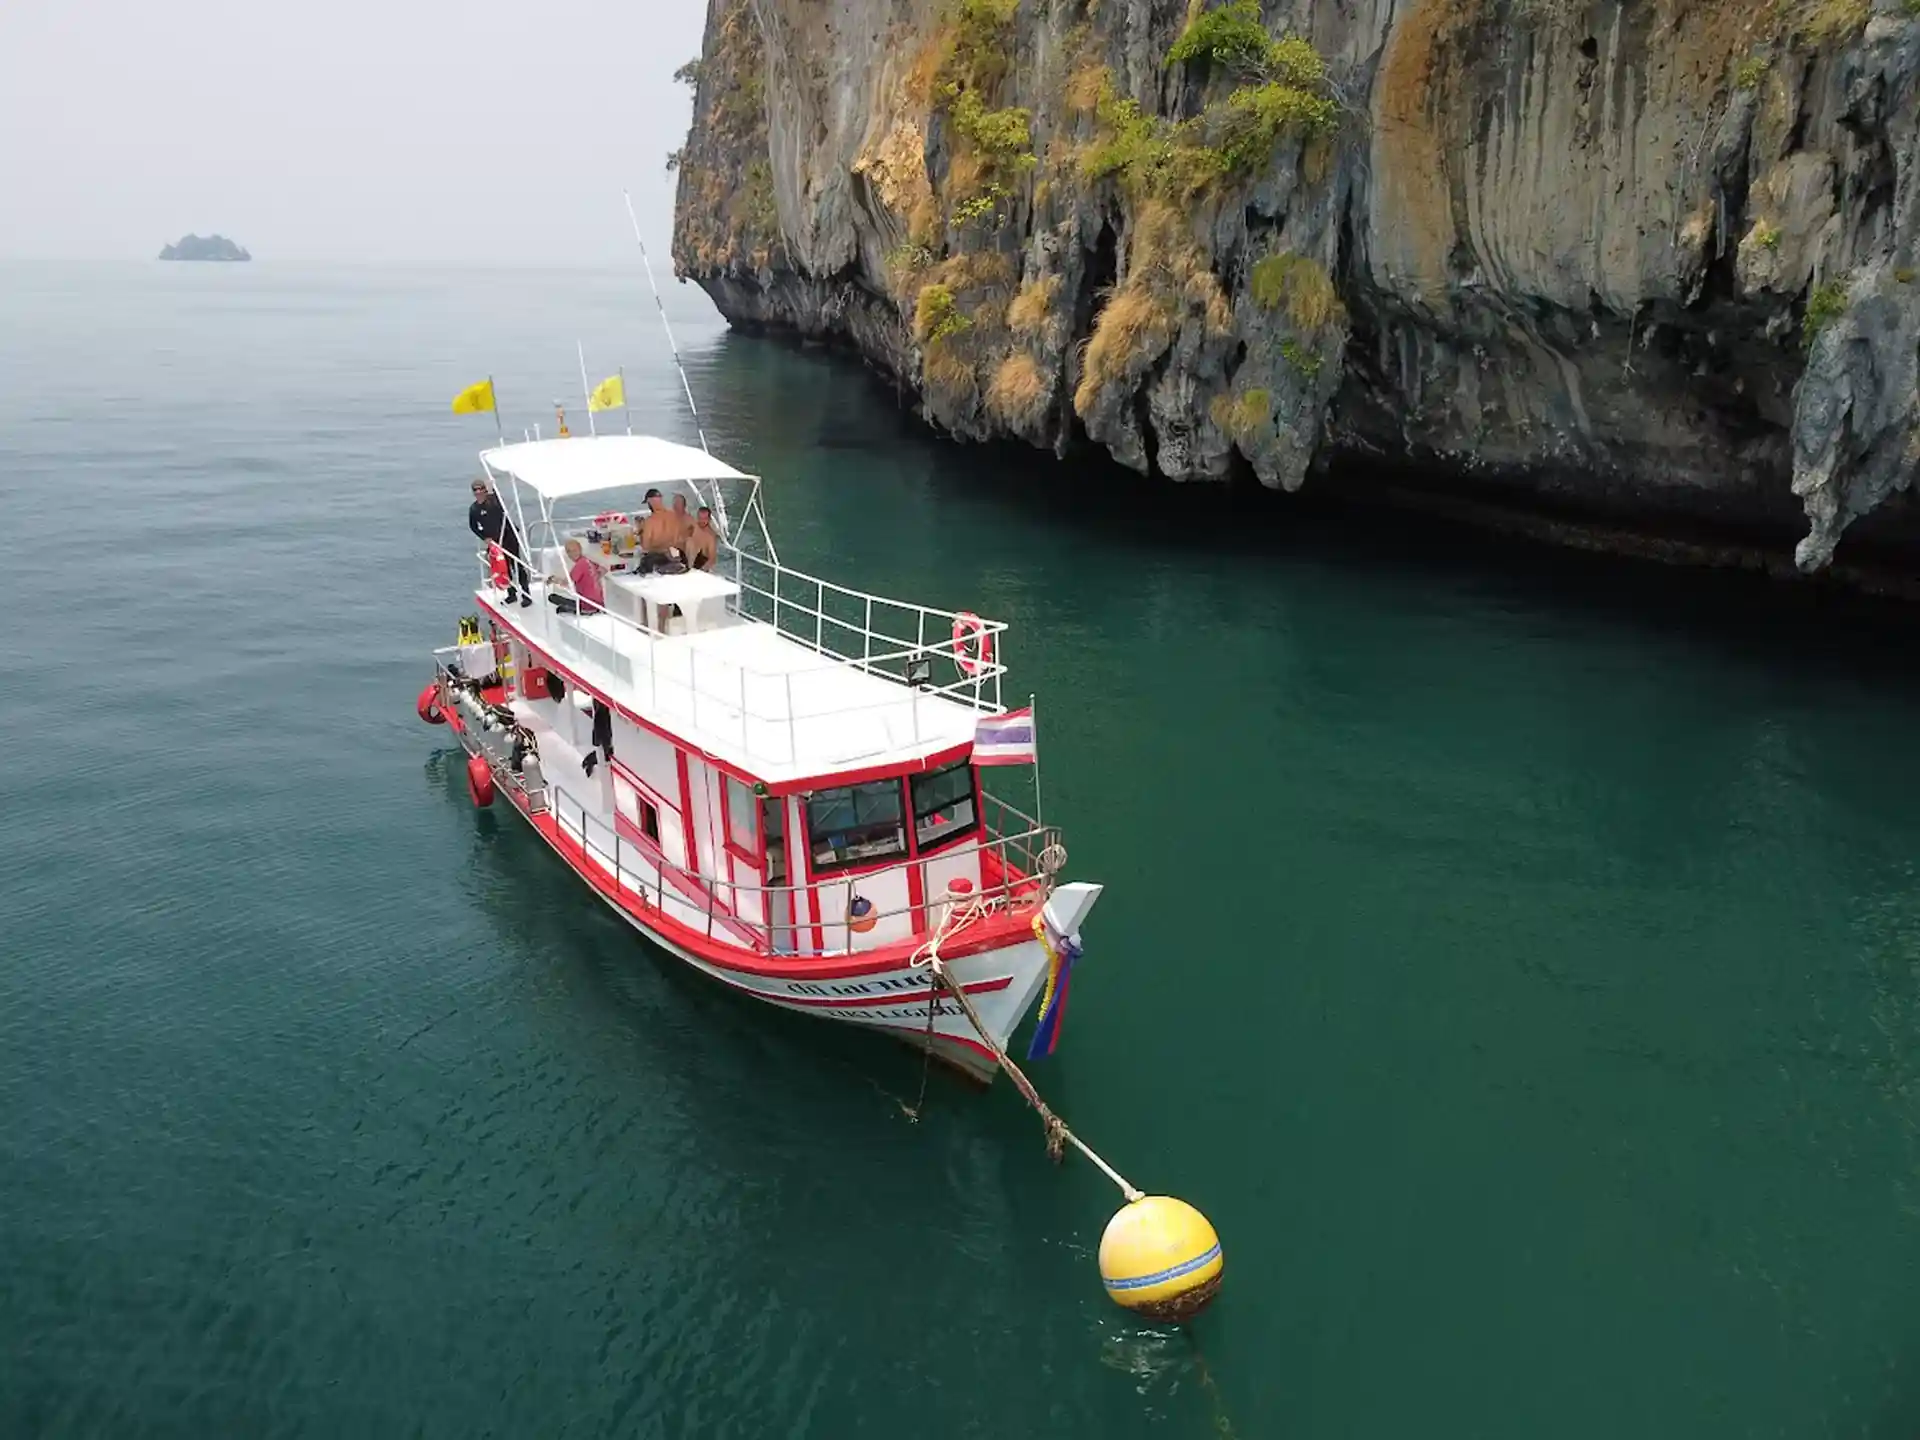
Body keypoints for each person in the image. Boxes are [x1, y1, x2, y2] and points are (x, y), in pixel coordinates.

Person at [468, 478, 531, 606]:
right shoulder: (474, 509)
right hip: (495, 542)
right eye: (476, 490)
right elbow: (473, 526)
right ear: (473, 492)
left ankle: (526, 595)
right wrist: (484, 537)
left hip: (508, 536)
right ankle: (511, 594)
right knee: (503, 568)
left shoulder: (494, 501)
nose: (479, 491)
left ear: (485, 490)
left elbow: (499, 499)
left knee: (517, 566)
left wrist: (492, 486)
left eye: (481, 488)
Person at [548, 538, 605, 615]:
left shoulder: (580, 565)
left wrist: (553, 579)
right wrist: (594, 578)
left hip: (588, 607)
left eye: (574, 550)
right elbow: (603, 569)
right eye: (569, 551)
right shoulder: (588, 561)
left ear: (580, 549)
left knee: (552, 597)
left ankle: (575, 611)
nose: (572, 554)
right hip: (599, 604)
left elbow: (566, 583)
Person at [637, 488, 685, 574]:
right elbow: (677, 539)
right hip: (676, 556)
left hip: (660, 560)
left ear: (649, 501)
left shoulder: (650, 521)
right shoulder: (673, 515)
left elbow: (645, 547)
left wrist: (640, 530)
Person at [685, 505, 719, 571]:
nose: (702, 521)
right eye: (700, 518)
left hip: (699, 562)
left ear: (709, 519)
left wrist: (701, 570)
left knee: (690, 544)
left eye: (704, 518)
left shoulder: (710, 536)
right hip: (688, 558)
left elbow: (712, 559)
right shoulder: (694, 526)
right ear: (697, 517)